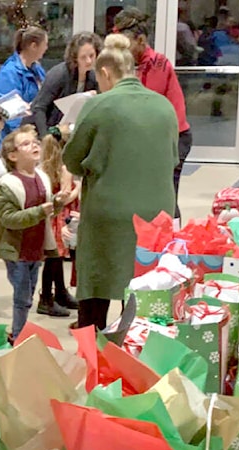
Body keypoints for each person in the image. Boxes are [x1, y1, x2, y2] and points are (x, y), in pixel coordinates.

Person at [62, 34, 179, 330]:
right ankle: (140, 357)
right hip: (157, 216)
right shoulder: (165, 107)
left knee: (95, 291)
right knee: (144, 292)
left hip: (108, 215)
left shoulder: (99, 105)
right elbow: (174, 159)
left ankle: (94, 359)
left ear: (105, 73)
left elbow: (73, 161)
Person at [114, 9, 192, 220]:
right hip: (142, 139)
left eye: (127, 44)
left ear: (141, 40)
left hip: (172, 138)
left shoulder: (160, 64)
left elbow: (164, 111)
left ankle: (172, 244)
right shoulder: (122, 64)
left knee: (166, 197)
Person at [0, 126, 58, 340]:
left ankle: (21, 330)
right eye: (26, 144)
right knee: (22, 296)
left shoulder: (42, 177)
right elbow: (8, 218)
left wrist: (58, 202)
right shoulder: (7, 185)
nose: (35, 145)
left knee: (28, 294)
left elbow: (47, 210)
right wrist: (39, 211)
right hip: (16, 250)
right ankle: (18, 334)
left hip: (35, 247)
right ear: (13, 155)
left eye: (35, 141)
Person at [39, 124, 80, 315]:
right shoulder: (65, 169)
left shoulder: (42, 168)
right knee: (54, 259)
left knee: (53, 258)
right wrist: (79, 188)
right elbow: (66, 196)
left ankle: (60, 291)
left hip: (50, 218)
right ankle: (47, 297)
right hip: (62, 218)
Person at [31, 32, 102, 133]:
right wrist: (45, 138)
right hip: (47, 130)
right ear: (75, 58)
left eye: (92, 55)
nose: (89, 61)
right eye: (83, 57)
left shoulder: (94, 77)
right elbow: (39, 108)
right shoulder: (58, 74)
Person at [0, 25, 48, 141]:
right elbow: (11, 112)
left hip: (36, 132)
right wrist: (25, 137)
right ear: (34, 46)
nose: (46, 48)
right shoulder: (9, 72)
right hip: (16, 139)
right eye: (45, 44)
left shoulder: (37, 69)